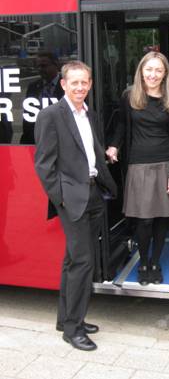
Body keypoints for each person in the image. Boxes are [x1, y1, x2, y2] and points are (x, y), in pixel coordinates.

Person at [34, 60, 117, 351]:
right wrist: (62, 198)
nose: (80, 87)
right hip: (73, 199)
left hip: (94, 195)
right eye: (74, 83)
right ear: (64, 84)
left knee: (72, 261)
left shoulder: (89, 114)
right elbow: (44, 165)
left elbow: (91, 153)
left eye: (85, 82)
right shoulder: (50, 116)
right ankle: (73, 328)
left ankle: (65, 318)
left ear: (90, 84)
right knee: (83, 263)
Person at [106, 51, 169, 286]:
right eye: (149, 69)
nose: (153, 74)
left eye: (158, 70)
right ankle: (143, 262)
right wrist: (114, 145)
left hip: (165, 164)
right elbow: (122, 124)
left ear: (165, 74)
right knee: (144, 220)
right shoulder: (129, 96)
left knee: (162, 218)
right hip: (138, 165)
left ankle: (155, 262)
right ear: (141, 70)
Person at [21, 52, 64, 144]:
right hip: (37, 140)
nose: (40, 69)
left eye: (44, 66)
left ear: (56, 65)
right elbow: (28, 118)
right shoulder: (33, 87)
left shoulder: (67, 86)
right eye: (38, 66)